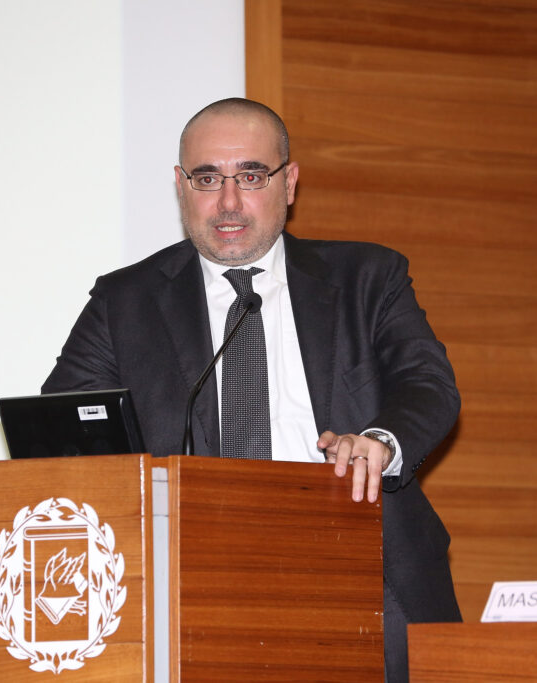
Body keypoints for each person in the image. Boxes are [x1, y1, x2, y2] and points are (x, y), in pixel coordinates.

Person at [42, 97, 461, 680]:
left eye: (252, 176)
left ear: (289, 182)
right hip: (190, 583)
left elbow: (427, 383)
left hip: (360, 563)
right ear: (181, 186)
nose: (229, 202)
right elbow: (62, 431)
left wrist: (379, 441)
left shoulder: (367, 278)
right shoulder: (124, 302)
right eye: (207, 178)